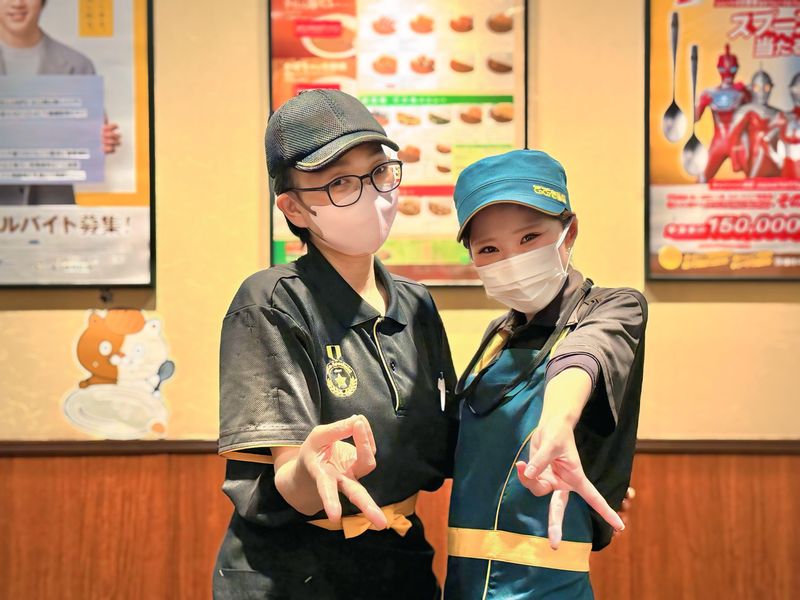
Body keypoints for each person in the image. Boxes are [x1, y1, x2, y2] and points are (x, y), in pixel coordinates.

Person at [213, 89, 457, 600]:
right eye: (340, 181)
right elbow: (293, 482)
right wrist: (311, 467)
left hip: (400, 563)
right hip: (291, 577)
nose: (371, 194)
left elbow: (454, 444)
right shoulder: (271, 302)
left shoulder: (416, 304)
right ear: (294, 208)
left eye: (379, 171)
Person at [445, 149, 647, 599]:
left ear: (568, 231)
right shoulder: (497, 335)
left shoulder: (612, 308)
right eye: (489, 249)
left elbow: (583, 355)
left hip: (546, 587)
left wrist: (557, 423)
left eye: (530, 237)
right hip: (465, 581)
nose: (512, 258)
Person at [0, 0, 121, 205]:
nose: (17, 3)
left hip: (51, 208)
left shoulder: (76, 65)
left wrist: (98, 142)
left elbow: (87, 139)